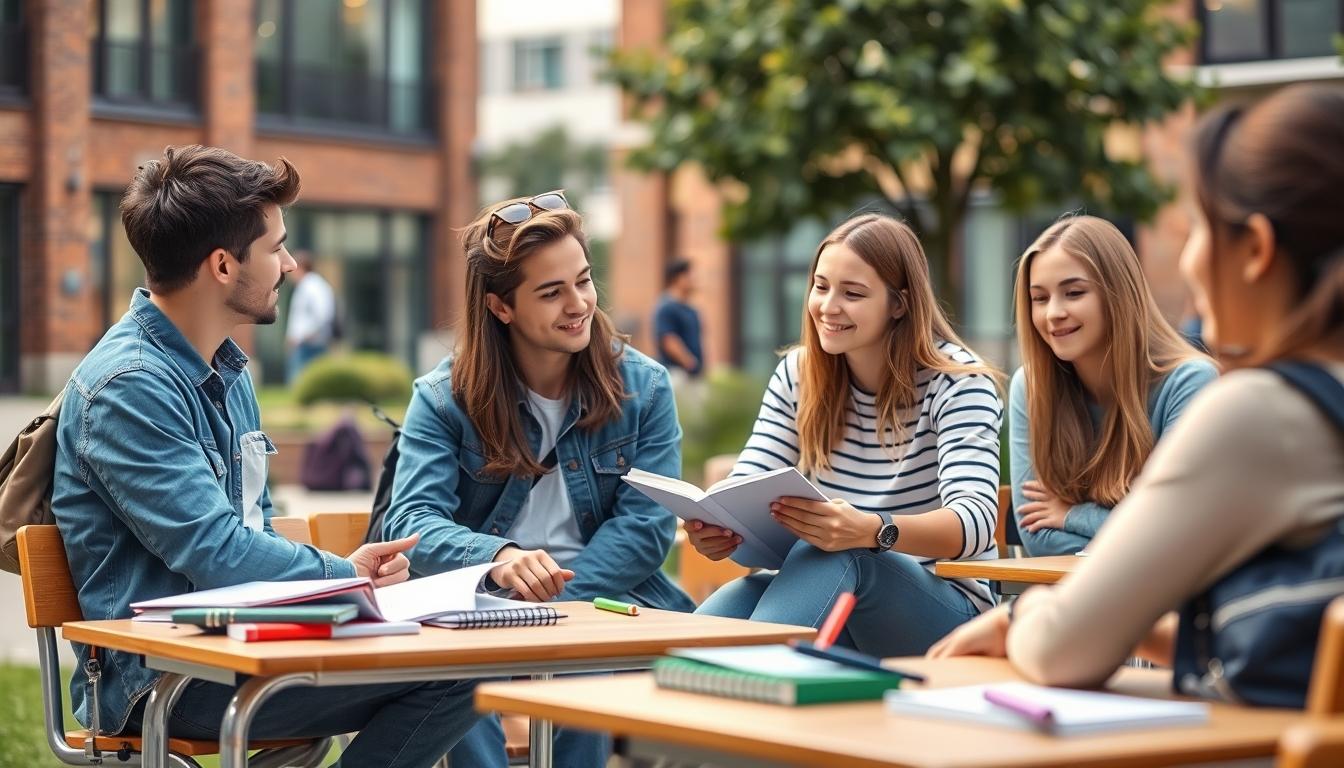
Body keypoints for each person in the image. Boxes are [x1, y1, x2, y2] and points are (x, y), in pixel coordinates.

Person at [51, 145, 482, 767]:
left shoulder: (226, 369)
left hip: (246, 643)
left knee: (459, 656)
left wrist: (344, 582)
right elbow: (217, 551)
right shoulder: (128, 387)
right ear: (223, 266)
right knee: (455, 671)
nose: (288, 262)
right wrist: (346, 578)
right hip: (165, 675)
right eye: (275, 246)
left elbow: (254, 525)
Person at [930, 84, 1344, 704]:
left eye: (1199, 228)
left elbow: (1060, 650)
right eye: (1040, 298)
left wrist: (1022, 620)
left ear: (1255, 249)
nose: (1190, 260)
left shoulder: (1260, 412)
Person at [382, 191, 695, 768]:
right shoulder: (444, 397)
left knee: (585, 648)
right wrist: (498, 555)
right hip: (479, 604)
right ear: (502, 308)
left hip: (607, 601)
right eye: (552, 293)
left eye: (584, 281)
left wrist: (556, 609)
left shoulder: (644, 388)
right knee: (461, 662)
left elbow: (646, 529)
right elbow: (411, 521)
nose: (578, 305)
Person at [686, 213, 1004, 657]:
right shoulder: (798, 375)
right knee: (744, 595)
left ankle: (751, 706)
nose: (828, 307)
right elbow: (746, 489)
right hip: (832, 597)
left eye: (852, 294)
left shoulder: (959, 383)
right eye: (820, 286)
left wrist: (872, 530)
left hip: (945, 616)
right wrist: (724, 530)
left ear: (899, 304)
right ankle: (665, 711)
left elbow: (974, 522)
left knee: (843, 552)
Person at [1010, 215, 1217, 556]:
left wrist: (1073, 515)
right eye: (1040, 298)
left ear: (1118, 295)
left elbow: (1176, 530)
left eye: (1074, 293)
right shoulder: (1031, 388)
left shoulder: (1190, 382)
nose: (1053, 313)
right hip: (1062, 597)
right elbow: (1037, 536)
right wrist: (1131, 531)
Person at [285, 249, 336, 382]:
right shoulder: (306, 286)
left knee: (302, 380)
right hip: (305, 343)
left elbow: (323, 314)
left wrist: (306, 335)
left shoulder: (313, 286)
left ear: (300, 267)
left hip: (309, 344)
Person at [652, 259, 704, 382]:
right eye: (690, 275)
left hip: (693, 375)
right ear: (678, 278)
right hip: (677, 374)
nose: (694, 279)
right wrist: (690, 363)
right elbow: (668, 339)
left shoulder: (690, 309)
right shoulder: (667, 306)